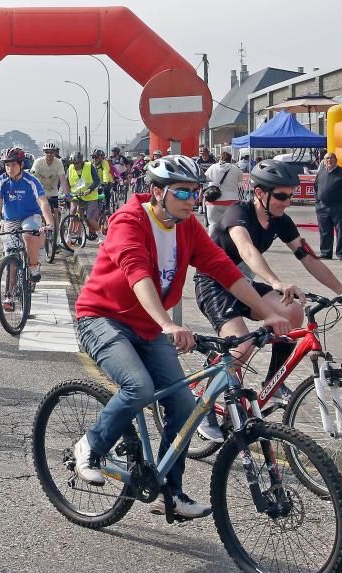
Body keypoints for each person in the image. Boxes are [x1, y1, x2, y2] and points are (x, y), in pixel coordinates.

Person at [72, 154, 291, 519]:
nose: (192, 200)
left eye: (196, 192)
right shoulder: (129, 221)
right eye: (183, 192)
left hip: (149, 326)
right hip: (103, 317)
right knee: (138, 388)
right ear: (157, 192)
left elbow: (223, 269)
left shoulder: (187, 226)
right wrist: (168, 324)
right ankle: (90, 446)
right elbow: (137, 274)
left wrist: (268, 313)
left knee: (184, 407)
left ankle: (169, 492)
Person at [192, 159, 342, 441]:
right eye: (282, 196)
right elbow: (246, 251)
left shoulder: (279, 220)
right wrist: (275, 282)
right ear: (260, 193)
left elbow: (307, 256)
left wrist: (341, 290)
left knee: (293, 311)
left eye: (291, 195)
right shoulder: (238, 214)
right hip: (213, 284)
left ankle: (274, 382)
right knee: (242, 345)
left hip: (241, 284)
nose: (288, 201)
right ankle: (202, 406)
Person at [0, 146, 55, 300]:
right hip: (10, 219)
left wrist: (49, 223)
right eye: (7, 165)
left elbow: (43, 202)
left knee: (29, 235)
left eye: (13, 164)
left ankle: (34, 266)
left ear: (21, 165)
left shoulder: (31, 181)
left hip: (30, 216)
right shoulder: (1, 181)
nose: (10, 168)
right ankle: (9, 295)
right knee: (10, 255)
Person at [315, 152, 342, 261]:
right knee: (324, 231)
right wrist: (317, 203)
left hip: (338, 207)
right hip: (322, 207)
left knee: (341, 231)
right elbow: (316, 187)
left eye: (331, 158)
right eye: (326, 159)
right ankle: (325, 253)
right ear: (323, 161)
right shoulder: (321, 172)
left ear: (336, 160)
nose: (329, 161)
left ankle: (341, 254)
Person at [31, 142, 70, 229]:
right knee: (39, 213)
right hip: (40, 192)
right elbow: (32, 178)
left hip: (53, 192)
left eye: (51, 152)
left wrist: (67, 194)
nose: (49, 154)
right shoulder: (38, 162)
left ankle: (56, 237)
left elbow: (63, 180)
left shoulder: (58, 163)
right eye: (47, 152)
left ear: (55, 153)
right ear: (43, 153)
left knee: (55, 213)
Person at [66, 151, 103, 242]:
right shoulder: (70, 168)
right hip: (76, 196)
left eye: (77, 163)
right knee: (72, 215)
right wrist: (65, 193)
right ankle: (68, 238)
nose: (75, 165)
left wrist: (89, 190)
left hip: (90, 196)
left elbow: (97, 181)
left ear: (81, 161)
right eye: (73, 163)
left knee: (90, 218)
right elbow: (65, 182)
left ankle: (101, 236)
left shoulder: (89, 166)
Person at [203, 151, 242, 230]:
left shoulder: (212, 167)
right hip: (232, 200)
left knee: (213, 224)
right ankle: (228, 241)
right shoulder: (235, 168)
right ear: (231, 160)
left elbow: (205, 178)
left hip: (214, 199)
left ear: (219, 159)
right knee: (231, 225)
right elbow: (240, 179)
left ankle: (213, 241)